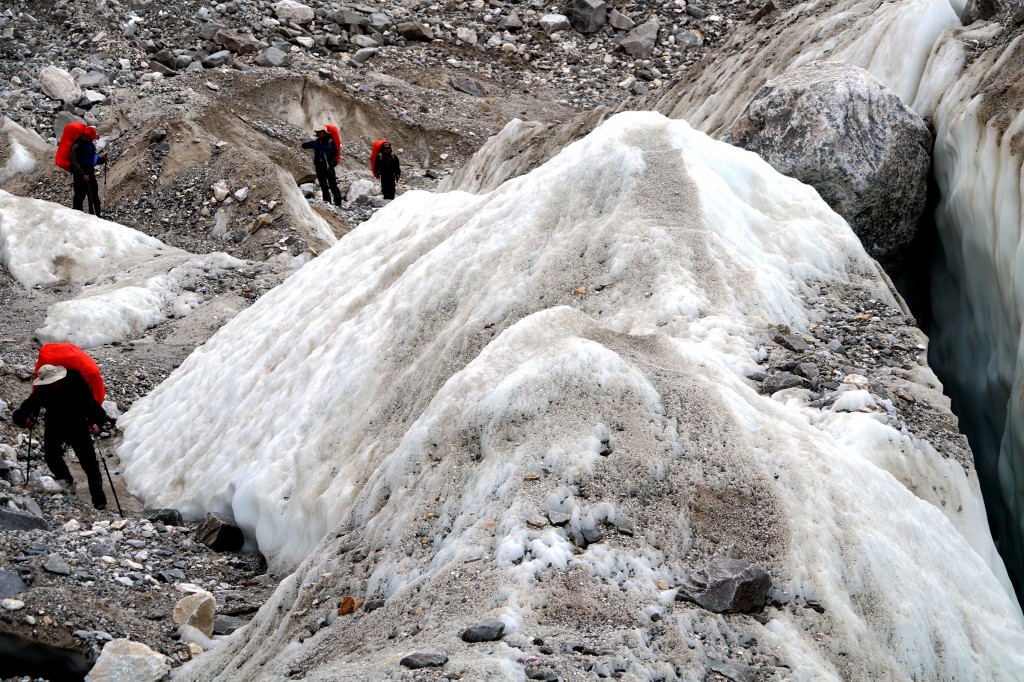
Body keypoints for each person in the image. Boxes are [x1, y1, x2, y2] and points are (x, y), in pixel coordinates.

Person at [12, 364, 112, 509]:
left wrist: (96, 422)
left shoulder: (75, 383)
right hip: (54, 424)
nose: (51, 385)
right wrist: (25, 419)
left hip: (77, 424)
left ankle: (99, 502)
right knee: (51, 456)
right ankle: (66, 480)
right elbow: (25, 409)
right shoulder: (43, 390)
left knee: (90, 465)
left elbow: (91, 405)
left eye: (52, 383)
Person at [70, 126, 105, 218]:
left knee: (94, 197)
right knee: (79, 198)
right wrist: (82, 175)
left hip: (90, 174)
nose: (92, 140)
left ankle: (96, 216)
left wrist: (102, 160)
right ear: (86, 136)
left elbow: (93, 159)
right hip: (80, 178)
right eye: (91, 138)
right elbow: (74, 164)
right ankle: (77, 218)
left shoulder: (90, 145)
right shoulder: (76, 147)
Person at [302, 126, 342, 206]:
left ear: (324, 133)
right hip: (319, 167)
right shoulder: (316, 142)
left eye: (320, 132)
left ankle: (338, 203)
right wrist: (311, 144)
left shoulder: (330, 141)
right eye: (318, 132)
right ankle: (327, 202)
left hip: (328, 167)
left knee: (332, 185)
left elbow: (335, 151)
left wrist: (322, 148)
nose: (319, 134)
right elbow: (304, 145)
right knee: (323, 185)